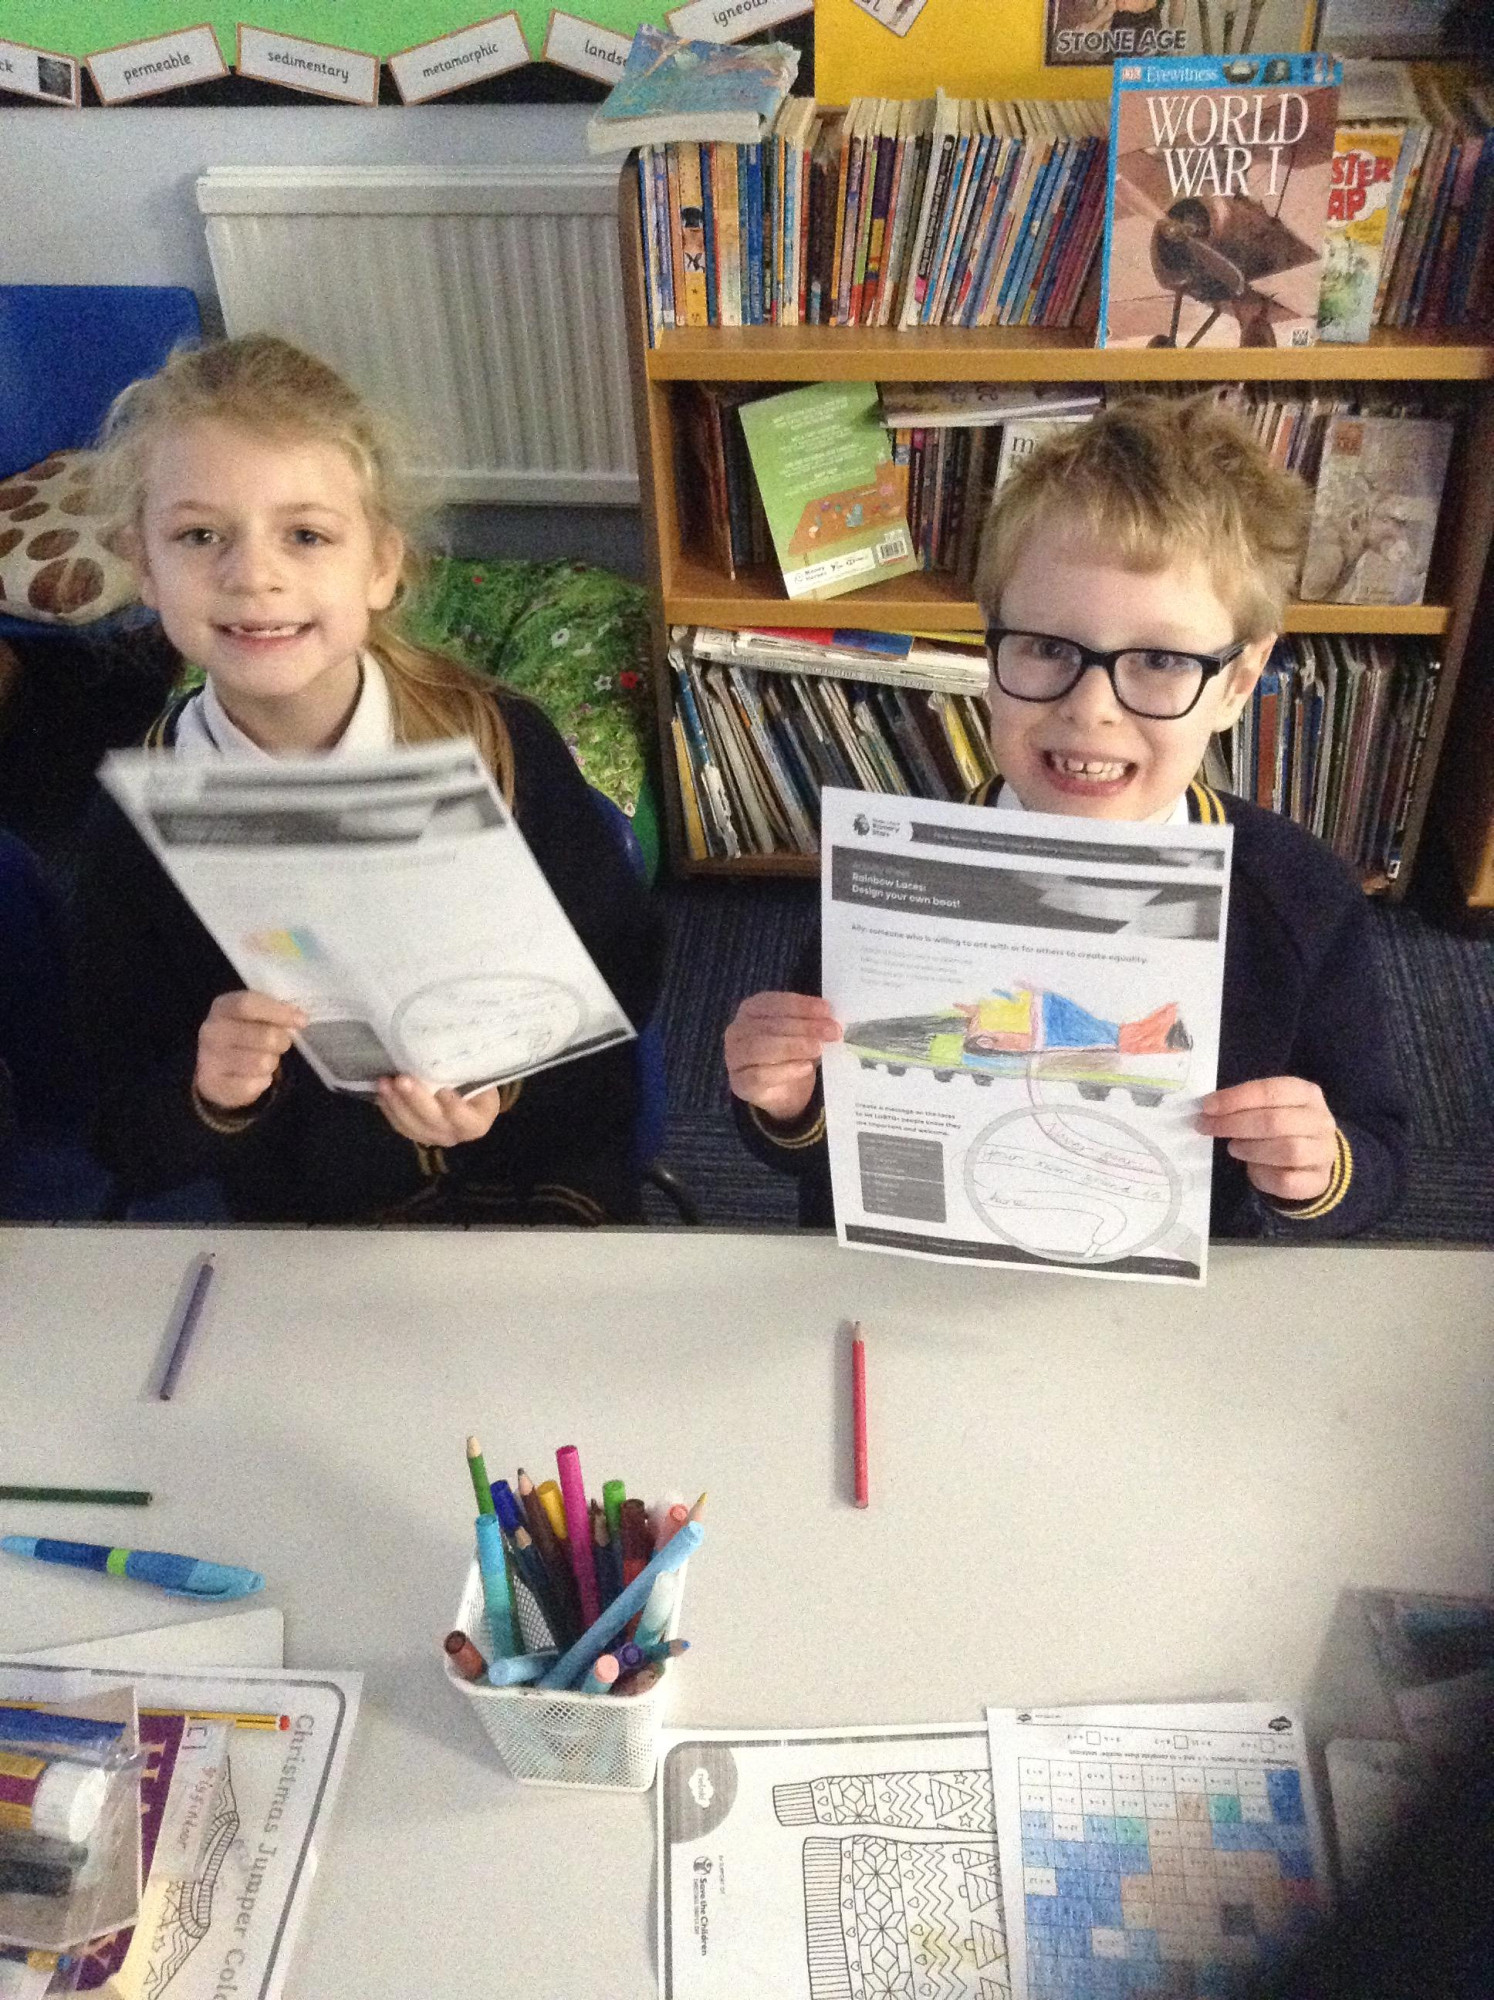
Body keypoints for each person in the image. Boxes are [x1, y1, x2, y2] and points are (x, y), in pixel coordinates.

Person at [726, 395, 1408, 1239]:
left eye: (1159, 659)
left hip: (1156, 1274)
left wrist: (1319, 1163)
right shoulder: (891, 881)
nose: (1091, 708)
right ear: (989, 647)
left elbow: (1381, 1150)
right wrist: (785, 1098)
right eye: (1048, 648)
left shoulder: (1297, 895)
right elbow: (805, 1144)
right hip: (913, 1258)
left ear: (1237, 682)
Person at [77, 334, 664, 1225]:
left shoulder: (501, 744)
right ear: (145, 566)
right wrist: (212, 1091)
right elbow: (119, 1127)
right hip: (313, 1220)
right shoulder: (135, 822)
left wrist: (504, 1084)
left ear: (382, 566)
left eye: (306, 535)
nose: (254, 576)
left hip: (539, 1177)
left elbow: (623, 967)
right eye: (199, 535)